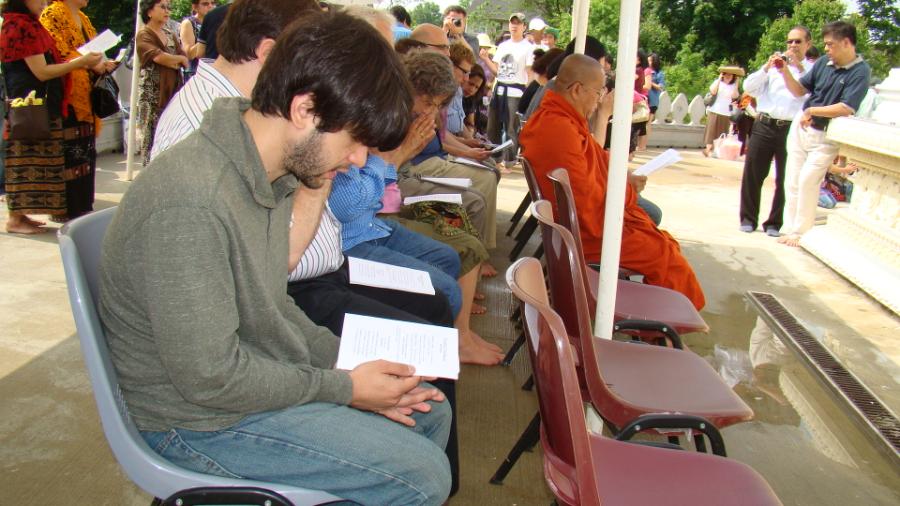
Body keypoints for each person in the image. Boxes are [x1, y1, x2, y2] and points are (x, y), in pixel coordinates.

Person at [99, 12, 452, 504]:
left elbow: (272, 308)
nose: (357, 160)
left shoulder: (265, 174)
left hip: (233, 385)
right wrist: (345, 387)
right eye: (354, 141)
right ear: (305, 109)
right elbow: (211, 379)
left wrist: (349, 363)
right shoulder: (192, 201)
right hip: (191, 422)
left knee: (428, 409)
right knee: (422, 477)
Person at [520, 54, 705, 310]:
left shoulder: (563, 120)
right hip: (584, 235)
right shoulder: (559, 128)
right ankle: (664, 322)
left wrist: (623, 179)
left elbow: (592, 163)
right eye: (597, 93)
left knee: (664, 245)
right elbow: (584, 202)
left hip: (576, 226)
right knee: (665, 257)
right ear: (577, 90)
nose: (599, 100)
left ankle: (659, 317)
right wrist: (626, 190)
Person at [1, 0, 101, 234]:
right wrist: (80, 62)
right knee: (24, 160)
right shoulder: (20, 26)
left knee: (34, 159)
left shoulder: (27, 23)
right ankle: (14, 219)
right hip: (29, 106)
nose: (44, 3)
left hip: (38, 104)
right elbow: (41, 71)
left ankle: (20, 216)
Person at [776, 20, 870, 247]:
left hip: (826, 135)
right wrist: (784, 71)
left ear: (846, 43)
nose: (826, 48)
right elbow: (799, 90)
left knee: (808, 180)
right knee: (792, 179)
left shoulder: (860, 71)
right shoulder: (822, 64)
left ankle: (800, 232)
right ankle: (789, 227)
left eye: (830, 44)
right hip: (802, 126)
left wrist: (813, 111)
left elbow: (846, 107)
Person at [39, 0, 116, 222]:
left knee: (85, 148)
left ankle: (82, 204)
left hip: (87, 92)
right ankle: (65, 208)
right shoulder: (52, 14)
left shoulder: (83, 19)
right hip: (66, 93)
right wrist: (89, 63)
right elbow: (56, 53)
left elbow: (95, 52)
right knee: (69, 149)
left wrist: (103, 64)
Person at [738, 26, 814, 236]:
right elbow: (749, 88)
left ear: (808, 44)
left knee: (785, 178)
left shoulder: (811, 70)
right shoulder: (773, 67)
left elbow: (807, 93)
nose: (793, 45)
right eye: (790, 41)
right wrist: (766, 67)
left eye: (798, 41)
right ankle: (748, 218)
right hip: (765, 124)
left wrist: (796, 68)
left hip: (791, 127)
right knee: (753, 173)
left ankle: (774, 223)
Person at [136, 0, 188, 166]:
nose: (167, 11)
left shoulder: (170, 33)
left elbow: (184, 59)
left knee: (171, 135)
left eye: (168, 7)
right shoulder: (144, 34)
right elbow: (159, 57)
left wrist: (176, 60)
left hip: (172, 91)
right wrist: (177, 60)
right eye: (162, 7)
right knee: (151, 136)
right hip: (152, 94)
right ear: (149, 12)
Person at [482, 12, 534, 170]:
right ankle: (495, 159)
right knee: (492, 126)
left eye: (518, 23)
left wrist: (527, 94)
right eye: (512, 23)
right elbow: (497, 71)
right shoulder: (504, 46)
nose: (514, 26)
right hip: (500, 89)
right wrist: (486, 59)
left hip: (516, 91)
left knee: (511, 128)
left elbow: (530, 73)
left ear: (524, 27)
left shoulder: (528, 48)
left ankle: (509, 161)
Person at [702, 67, 741, 157]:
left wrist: (736, 83)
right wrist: (719, 79)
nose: (728, 77)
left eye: (730, 75)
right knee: (711, 131)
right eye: (726, 75)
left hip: (726, 112)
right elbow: (713, 91)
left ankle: (716, 150)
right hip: (714, 110)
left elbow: (735, 96)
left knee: (722, 132)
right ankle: (708, 149)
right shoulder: (717, 82)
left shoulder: (733, 86)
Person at [179, 0, 215, 80]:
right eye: (205, 4)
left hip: (213, 71)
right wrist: (207, 35)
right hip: (194, 72)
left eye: (213, 3)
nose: (210, 6)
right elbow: (189, 54)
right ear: (195, 7)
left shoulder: (216, 22)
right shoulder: (189, 23)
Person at [645, 52, 665, 148]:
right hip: (643, 98)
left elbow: (661, 87)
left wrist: (650, 82)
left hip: (652, 101)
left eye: (650, 60)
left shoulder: (659, 74)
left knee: (647, 122)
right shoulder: (644, 70)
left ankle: (644, 143)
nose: (648, 62)